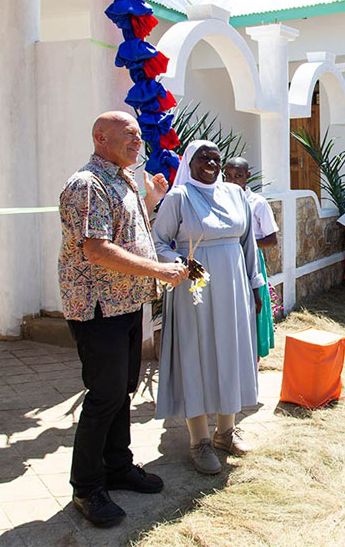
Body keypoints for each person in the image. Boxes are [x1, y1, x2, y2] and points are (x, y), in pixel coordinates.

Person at [59, 111, 189, 526]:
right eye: (129, 135)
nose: (138, 142)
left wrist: (150, 200)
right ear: (101, 137)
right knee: (103, 397)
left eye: (138, 135)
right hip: (99, 309)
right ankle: (87, 488)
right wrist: (159, 271)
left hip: (127, 304)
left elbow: (131, 234)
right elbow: (96, 249)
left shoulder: (122, 178)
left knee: (122, 392)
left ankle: (117, 466)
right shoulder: (88, 184)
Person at [151, 140, 263, 476]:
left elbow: (248, 243)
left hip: (232, 287)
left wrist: (254, 284)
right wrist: (179, 263)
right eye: (203, 157)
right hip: (193, 290)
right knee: (196, 357)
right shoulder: (178, 198)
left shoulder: (236, 194)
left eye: (216, 158)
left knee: (230, 353)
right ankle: (198, 441)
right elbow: (157, 242)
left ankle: (225, 433)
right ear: (189, 161)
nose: (211, 163)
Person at [223, 157, 279, 359]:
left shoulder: (258, 203)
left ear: (247, 176)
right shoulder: (219, 199)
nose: (232, 181)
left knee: (252, 307)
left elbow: (272, 239)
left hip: (250, 262)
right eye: (228, 176)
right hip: (225, 262)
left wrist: (245, 242)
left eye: (238, 176)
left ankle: (253, 357)